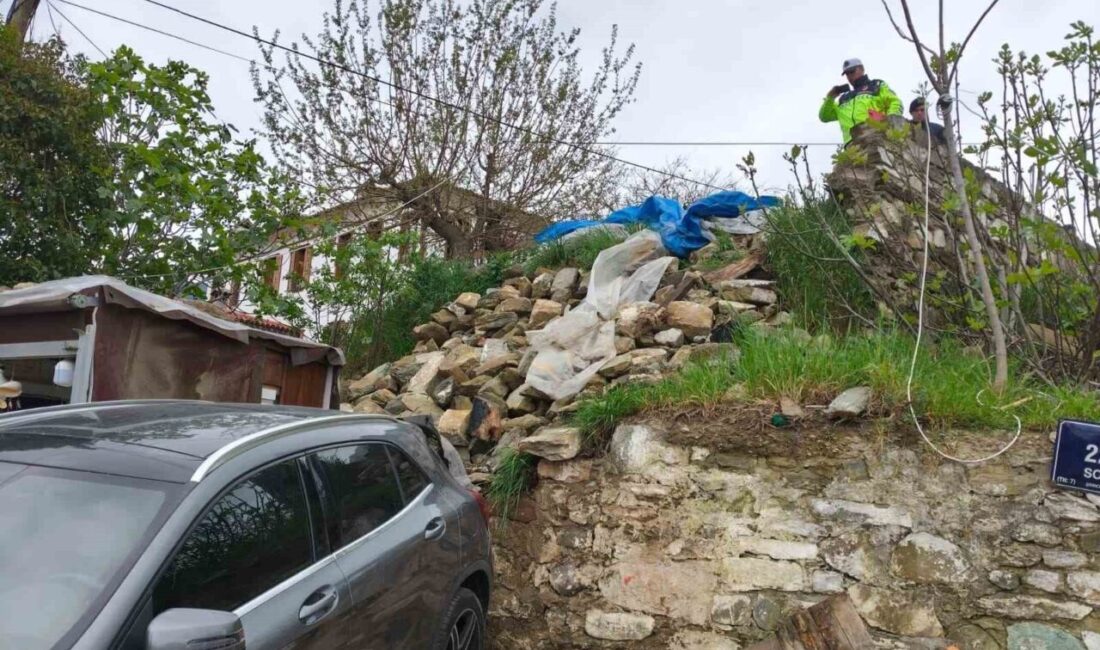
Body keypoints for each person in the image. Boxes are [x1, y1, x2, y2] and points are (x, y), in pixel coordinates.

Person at [819, 58, 903, 144]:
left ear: (862, 69)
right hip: (852, 146)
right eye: (847, 74)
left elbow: (895, 102)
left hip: (875, 138)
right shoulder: (843, 98)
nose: (849, 76)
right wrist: (830, 98)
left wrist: (890, 121)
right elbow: (824, 117)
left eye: (852, 71)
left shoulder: (876, 85)